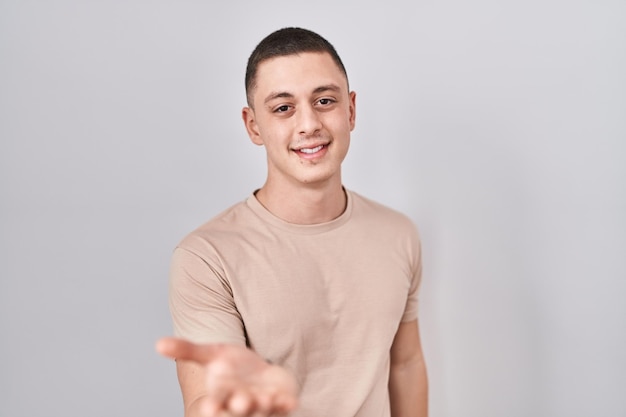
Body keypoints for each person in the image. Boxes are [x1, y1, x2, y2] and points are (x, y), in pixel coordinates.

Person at [156, 27, 428, 417]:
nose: (309, 124)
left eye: (324, 100)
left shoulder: (399, 233)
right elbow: (205, 403)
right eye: (283, 108)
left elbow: (405, 365)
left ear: (350, 110)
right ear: (253, 126)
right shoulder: (206, 258)